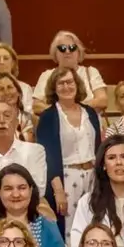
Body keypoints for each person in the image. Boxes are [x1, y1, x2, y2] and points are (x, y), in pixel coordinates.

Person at [36, 66, 105, 221]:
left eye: (70, 82)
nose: (66, 87)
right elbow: (47, 158)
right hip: (66, 180)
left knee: (93, 225)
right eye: (61, 83)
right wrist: (58, 190)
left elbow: (99, 148)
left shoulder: (90, 113)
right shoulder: (48, 117)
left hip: (92, 178)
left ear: (77, 84)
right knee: (69, 229)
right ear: (54, 88)